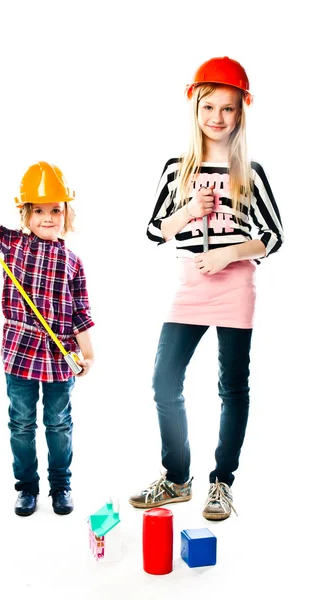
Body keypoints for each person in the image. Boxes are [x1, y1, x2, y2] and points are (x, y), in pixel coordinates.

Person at [129, 57, 284, 520]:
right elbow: (156, 230)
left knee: (232, 386)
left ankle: (222, 483)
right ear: (195, 109)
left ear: (241, 114)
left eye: (228, 108)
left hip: (235, 286)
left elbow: (273, 236)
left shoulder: (250, 174)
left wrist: (229, 254)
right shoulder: (177, 169)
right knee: (163, 380)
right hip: (189, 288)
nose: (217, 117)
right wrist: (190, 209)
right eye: (209, 107)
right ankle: (177, 478)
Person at [0, 161, 95, 517]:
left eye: (55, 209)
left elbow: (81, 313)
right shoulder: (13, 245)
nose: (48, 217)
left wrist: (88, 354)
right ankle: (26, 488)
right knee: (21, 423)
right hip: (20, 353)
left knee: (59, 423)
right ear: (25, 213)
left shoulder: (73, 261)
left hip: (58, 357)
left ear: (66, 212)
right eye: (38, 210)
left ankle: (61, 486)